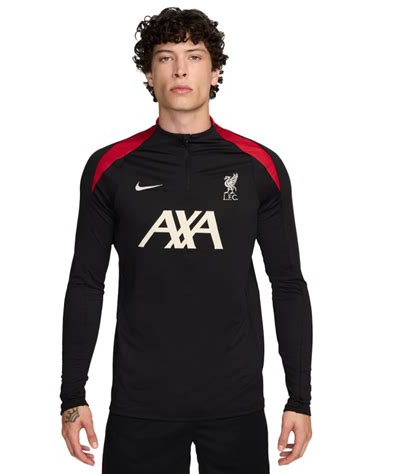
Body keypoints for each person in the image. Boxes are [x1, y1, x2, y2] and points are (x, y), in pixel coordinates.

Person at [60, 7, 313, 473]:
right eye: (165, 57)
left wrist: (300, 398)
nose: (180, 70)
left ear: (215, 72)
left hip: (235, 402)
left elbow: (288, 284)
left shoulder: (259, 167)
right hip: (141, 404)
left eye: (194, 56)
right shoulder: (110, 168)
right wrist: (72, 396)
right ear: (148, 74)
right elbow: (86, 283)